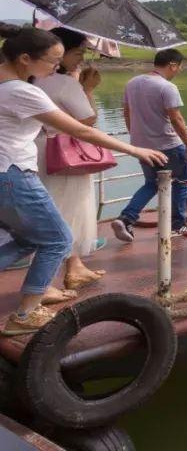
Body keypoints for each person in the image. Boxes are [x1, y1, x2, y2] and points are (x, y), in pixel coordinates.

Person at [0, 24, 167, 334]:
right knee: (58, 239)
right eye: (52, 60)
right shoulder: (22, 91)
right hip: (14, 174)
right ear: (25, 58)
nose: (55, 67)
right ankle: (24, 315)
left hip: (7, 174)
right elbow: (81, 128)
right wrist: (134, 149)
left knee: (28, 238)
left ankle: (31, 301)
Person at [32, 28, 105, 290]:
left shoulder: (30, 80)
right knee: (73, 207)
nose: (81, 58)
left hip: (38, 149)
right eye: (77, 53)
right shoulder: (65, 83)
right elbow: (88, 119)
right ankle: (51, 278)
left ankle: (75, 265)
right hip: (66, 151)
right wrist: (88, 89)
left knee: (54, 207)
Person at [112, 48, 187, 243]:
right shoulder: (167, 87)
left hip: (143, 147)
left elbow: (127, 112)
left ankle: (126, 218)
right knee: (180, 184)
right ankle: (177, 225)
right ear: (172, 65)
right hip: (169, 145)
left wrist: (136, 138)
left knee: (151, 184)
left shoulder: (132, 83)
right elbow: (176, 118)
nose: (179, 71)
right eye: (180, 67)